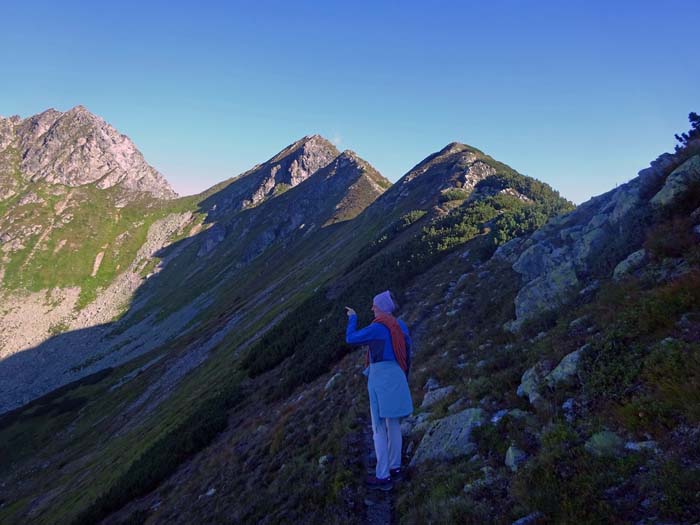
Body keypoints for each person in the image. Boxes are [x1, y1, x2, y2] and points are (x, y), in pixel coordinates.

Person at [345, 290, 413, 491]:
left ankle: (382, 475)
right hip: (397, 373)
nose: (372, 308)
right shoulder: (399, 325)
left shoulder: (378, 328)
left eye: (375, 305)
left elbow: (351, 338)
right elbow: (407, 352)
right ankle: (395, 467)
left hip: (379, 375)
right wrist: (404, 376)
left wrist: (353, 318)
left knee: (378, 426)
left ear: (381, 307)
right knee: (394, 424)